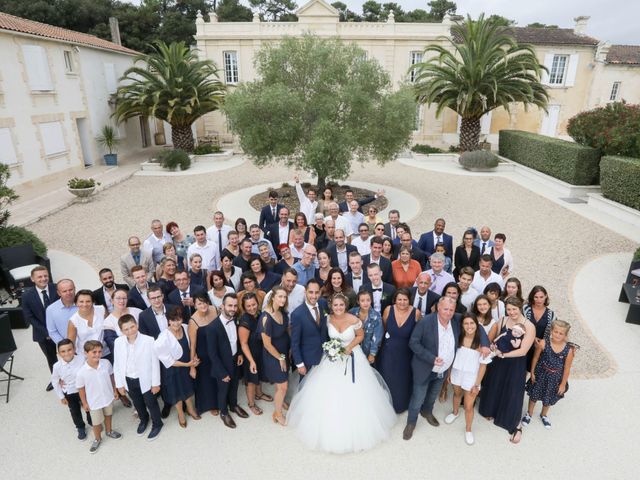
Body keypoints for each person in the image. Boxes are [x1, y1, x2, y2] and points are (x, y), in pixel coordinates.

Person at [287, 293, 396, 453]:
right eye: (336, 305)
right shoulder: (328, 319)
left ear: (346, 305)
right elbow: (323, 336)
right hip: (332, 358)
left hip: (352, 356)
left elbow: (360, 335)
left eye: (341, 305)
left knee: (356, 392)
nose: (338, 308)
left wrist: (349, 347)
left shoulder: (354, 319)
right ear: (332, 306)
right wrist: (332, 349)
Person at [479, 297, 535, 444]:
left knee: (512, 391)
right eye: (509, 309)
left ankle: (514, 424)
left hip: (515, 363)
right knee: (495, 385)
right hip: (499, 362)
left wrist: (503, 354)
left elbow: (523, 350)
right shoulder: (503, 320)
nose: (511, 312)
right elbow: (493, 339)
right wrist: (492, 347)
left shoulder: (529, 326)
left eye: (514, 309)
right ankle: (491, 410)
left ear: (520, 308)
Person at [403, 297, 459, 441]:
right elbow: (413, 343)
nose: (448, 312)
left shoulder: (456, 322)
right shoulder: (425, 322)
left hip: (442, 370)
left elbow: (475, 327)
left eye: (451, 310)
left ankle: (427, 411)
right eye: (445, 309)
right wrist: (431, 358)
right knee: (417, 398)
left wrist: (484, 343)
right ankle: (411, 422)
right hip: (425, 368)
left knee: (432, 395)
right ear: (438, 308)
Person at [113, 314, 163, 440]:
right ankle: (143, 419)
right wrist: (119, 384)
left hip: (145, 379)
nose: (130, 331)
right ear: (121, 331)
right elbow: (117, 364)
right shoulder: (118, 342)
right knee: (138, 403)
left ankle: (157, 423)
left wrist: (156, 383)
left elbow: (155, 363)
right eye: (126, 329)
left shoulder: (149, 340)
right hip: (129, 379)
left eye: (132, 327)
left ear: (137, 325)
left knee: (151, 402)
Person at [443, 312, 488, 445]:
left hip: (472, 376)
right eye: (466, 323)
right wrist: (450, 373)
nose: (469, 326)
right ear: (462, 325)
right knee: (456, 394)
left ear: (477, 325)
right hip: (457, 372)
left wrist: (477, 384)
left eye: (472, 323)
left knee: (468, 406)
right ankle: (455, 412)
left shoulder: (481, 343)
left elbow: (483, 366)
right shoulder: (458, 338)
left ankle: (468, 429)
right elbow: (452, 357)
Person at [205, 293, 249, 429]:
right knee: (223, 390)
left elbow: (237, 341)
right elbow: (212, 354)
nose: (233, 308)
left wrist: (240, 354)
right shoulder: (212, 327)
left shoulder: (235, 320)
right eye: (230, 305)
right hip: (222, 365)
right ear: (222, 306)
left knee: (234, 385)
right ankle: (223, 412)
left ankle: (233, 405)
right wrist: (222, 372)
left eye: (235, 306)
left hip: (235, 360)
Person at [523, 320, 575, 429]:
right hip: (540, 373)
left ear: (565, 335)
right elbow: (536, 358)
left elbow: (567, 368)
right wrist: (532, 372)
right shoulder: (543, 343)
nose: (557, 335)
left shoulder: (568, 350)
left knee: (549, 397)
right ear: (551, 331)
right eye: (556, 332)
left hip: (555, 378)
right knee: (534, 395)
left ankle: (544, 414)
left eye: (561, 333)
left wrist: (563, 384)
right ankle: (529, 413)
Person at [154, 306, 199, 428]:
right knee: (177, 393)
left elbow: (192, 346)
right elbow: (168, 360)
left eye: (179, 319)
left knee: (188, 388)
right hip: (173, 368)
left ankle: (190, 409)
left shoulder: (186, 327)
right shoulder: (163, 337)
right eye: (173, 320)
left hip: (187, 365)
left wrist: (193, 362)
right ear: (168, 320)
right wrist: (188, 365)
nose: (176, 323)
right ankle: (180, 414)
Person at [378, 288, 420, 413]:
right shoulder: (388, 310)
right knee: (387, 377)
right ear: (395, 300)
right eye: (399, 299)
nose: (402, 302)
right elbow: (384, 327)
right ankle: (386, 405)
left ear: (409, 300)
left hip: (406, 352)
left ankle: (400, 405)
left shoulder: (416, 313)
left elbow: (418, 332)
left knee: (402, 379)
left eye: (405, 299)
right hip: (388, 350)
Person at [76, 340, 121, 454]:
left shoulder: (106, 363)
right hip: (94, 401)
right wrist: (84, 403)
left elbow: (111, 376)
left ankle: (109, 431)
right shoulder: (81, 372)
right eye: (94, 352)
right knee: (96, 422)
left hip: (108, 397)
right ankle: (97, 438)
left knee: (108, 415)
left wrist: (115, 390)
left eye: (99, 352)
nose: (97, 354)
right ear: (86, 353)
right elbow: (81, 389)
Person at [22, 266, 59, 390]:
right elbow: (29, 317)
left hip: (61, 331)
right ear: (33, 279)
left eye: (45, 276)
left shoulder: (57, 288)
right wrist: (47, 332)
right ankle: (56, 380)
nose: (44, 279)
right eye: (40, 277)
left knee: (71, 354)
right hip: (43, 334)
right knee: (51, 358)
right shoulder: (27, 296)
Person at [260, 286, 291, 426]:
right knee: (283, 385)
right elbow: (267, 344)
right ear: (273, 297)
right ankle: (278, 414)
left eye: (285, 297)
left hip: (283, 352)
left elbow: (286, 331)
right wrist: (281, 358)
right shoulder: (266, 317)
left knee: (281, 385)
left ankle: (281, 401)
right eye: (280, 296)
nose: (283, 299)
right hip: (274, 356)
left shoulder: (282, 313)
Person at [238, 293, 273, 416]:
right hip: (250, 355)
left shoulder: (258, 315)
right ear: (244, 307)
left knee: (259, 375)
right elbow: (243, 344)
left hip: (260, 352)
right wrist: (251, 361)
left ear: (257, 304)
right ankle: (251, 404)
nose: (252, 308)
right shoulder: (244, 321)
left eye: (253, 304)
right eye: (248, 306)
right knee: (251, 380)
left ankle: (259, 394)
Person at [51, 339, 92, 440]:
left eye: (69, 349)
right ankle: (80, 427)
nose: (67, 353)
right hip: (69, 392)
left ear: (74, 349)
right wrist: (61, 396)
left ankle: (92, 421)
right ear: (58, 353)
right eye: (63, 351)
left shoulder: (82, 359)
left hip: (84, 390)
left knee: (88, 407)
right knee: (74, 411)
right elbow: (55, 381)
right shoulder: (57, 366)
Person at [187, 293, 220, 416]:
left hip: (217, 350)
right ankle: (211, 405)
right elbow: (193, 345)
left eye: (204, 302)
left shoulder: (214, 310)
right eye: (199, 303)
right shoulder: (193, 321)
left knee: (218, 377)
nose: (203, 305)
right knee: (207, 381)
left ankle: (221, 400)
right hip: (203, 354)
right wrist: (192, 365)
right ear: (195, 305)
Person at [290, 279, 329, 376]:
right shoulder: (297, 314)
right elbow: (295, 343)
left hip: (325, 358)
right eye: (311, 292)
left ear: (320, 292)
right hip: (307, 360)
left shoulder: (323, 304)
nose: (314, 296)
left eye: (316, 292)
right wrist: (299, 364)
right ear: (305, 292)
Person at [67, 290, 109, 360]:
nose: (85, 304)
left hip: (105, 352)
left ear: (93, 302)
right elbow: (70, 344)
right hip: (86, 357)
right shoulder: (73, 321)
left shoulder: (102, 310)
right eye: (81, 301)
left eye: (88, 301)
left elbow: (110, 328)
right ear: (76, 303)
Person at [523, 285, 557, 369]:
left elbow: (556, 332)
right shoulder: (525, 309)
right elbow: (518, 325)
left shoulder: (551, 315)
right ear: (532, 297)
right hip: (523, 345)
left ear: (546, 296)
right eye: (536, 297)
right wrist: (532, 337)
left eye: (541, 297)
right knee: (520, 373)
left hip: (539, 349)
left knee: (535, 374)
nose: (539, 300)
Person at [103, 288, 142, 354]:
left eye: (124, 298)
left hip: (144, 348)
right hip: (125, 354)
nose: (122, 301)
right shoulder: (108, 322)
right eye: (118, 298)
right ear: (112, 301)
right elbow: (113, 345)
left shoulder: (137, 312)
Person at [349, 290, 382, 364]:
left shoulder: (376, 317)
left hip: (367, 350)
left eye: (368, 300)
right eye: (362, 300)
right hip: (353, 349)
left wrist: (372, 354)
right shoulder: (352, 313)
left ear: (371, 301)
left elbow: (377, 337)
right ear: (358, 302)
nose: (365, 303)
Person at [46, 279, 78, 347]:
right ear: (59, 293)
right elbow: (52, 332)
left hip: (88, 347)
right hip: (67, 349)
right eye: (64, 291)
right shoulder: (51, 310)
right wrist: (66, 346)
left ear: (75, 289)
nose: (68, 293)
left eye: (70, 290)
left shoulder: (84, 304)